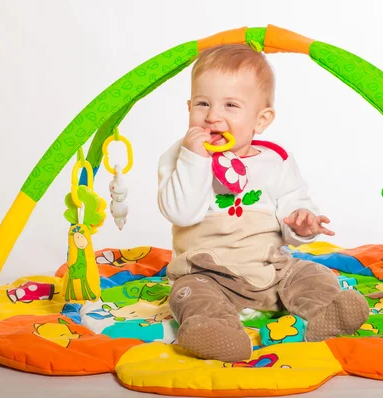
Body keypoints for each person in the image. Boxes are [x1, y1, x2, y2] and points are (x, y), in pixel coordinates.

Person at [157, 44, 369, 362]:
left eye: (230, 105)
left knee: (311, 274)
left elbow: (293, 207)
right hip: (207, 274)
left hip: (271, 271)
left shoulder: (274, 161)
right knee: (189, 294)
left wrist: (301, 221)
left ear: (261, 119)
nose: (213, 116)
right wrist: (194, 159)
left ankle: (328, 314)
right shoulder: (181, 157)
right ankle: (217, 333)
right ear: (189, 107)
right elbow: (181, 213)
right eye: (202, 104)